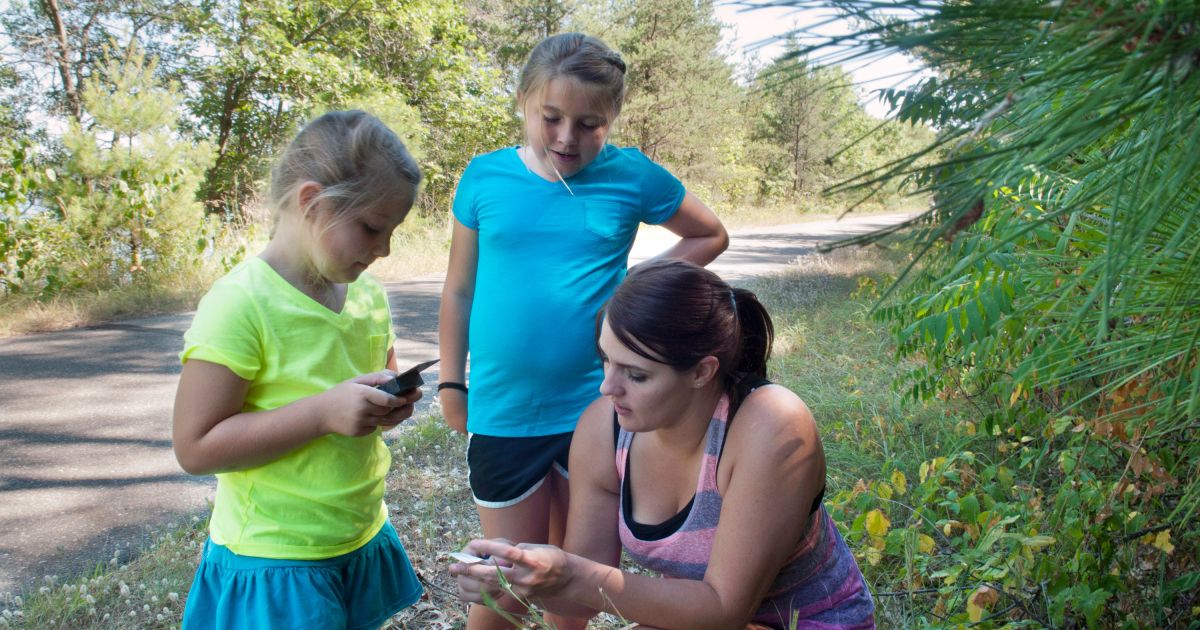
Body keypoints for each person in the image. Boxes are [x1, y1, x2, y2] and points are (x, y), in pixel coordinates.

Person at [438, 33, 729, 629]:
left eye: (590, 124)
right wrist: (450, 382)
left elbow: (709, 234)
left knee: (572, 590)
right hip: (503, 411)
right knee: (506, 585)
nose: (568, 137)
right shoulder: (484, 177)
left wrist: (632, 292)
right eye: (551, 117)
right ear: (523, 101)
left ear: (613, 118)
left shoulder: (633, 176)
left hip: (593, 409)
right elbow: (459, 288)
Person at [451, 259, 877, 629]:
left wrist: (573, 575)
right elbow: (577, 598)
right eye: (605, 360)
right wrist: (517, 577)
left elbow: (724, 609)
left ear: (701, 372)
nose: (607, 387)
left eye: (636, 375)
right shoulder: (605, 429)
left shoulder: (770, 425)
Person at [172, 110, 426, 630]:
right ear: (311, 201)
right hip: (275, 555)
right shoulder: (241, 303)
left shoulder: (368, 295)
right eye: (372, 228)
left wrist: (388, 406)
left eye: (393, 231)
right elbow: (195, 447)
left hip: (355, 533)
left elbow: (377, 377)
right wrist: (321, 414)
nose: (384, 250)